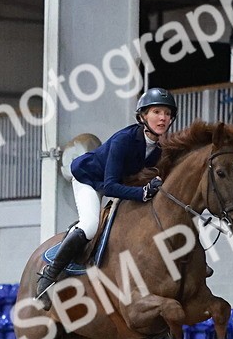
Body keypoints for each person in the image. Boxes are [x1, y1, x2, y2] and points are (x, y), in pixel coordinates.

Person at [35, 87, 177, 302]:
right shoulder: (124, 140)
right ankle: (48, 277)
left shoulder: (160, 149)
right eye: (157, 112)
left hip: (118, 184)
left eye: (167, 114)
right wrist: (142, 193)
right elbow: (110, 187)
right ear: (143, 116)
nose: (163, 118)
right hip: (89, 179)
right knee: (90, 225)